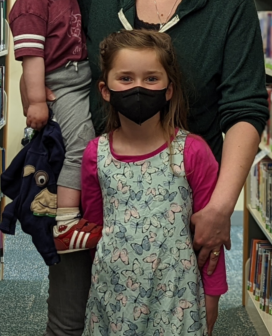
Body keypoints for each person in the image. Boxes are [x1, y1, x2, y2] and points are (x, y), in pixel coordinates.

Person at [33, 0, 267, 335]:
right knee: (73, 317)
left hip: (183, 194)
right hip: (98, 177)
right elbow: (55, 58)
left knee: (178, 317)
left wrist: (220, 207)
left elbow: (245, 107)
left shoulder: (230, 1)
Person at [81, 29, 226, 336]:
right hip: (114, 292)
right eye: (125, 78)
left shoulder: (193, 151)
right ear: (105, 90)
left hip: (177, 295)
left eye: (150, 79)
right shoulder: (96, 154)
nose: (138, 88)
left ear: (169, 89)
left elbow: (211, 241)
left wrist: (212, 296)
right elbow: (94, 228)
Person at [8, 0, 101, 255]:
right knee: (80, 144)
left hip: (80, 75)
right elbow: (31, 58)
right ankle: (65, 223)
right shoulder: (32, 4)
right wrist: (35, 100)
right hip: (61, 83)